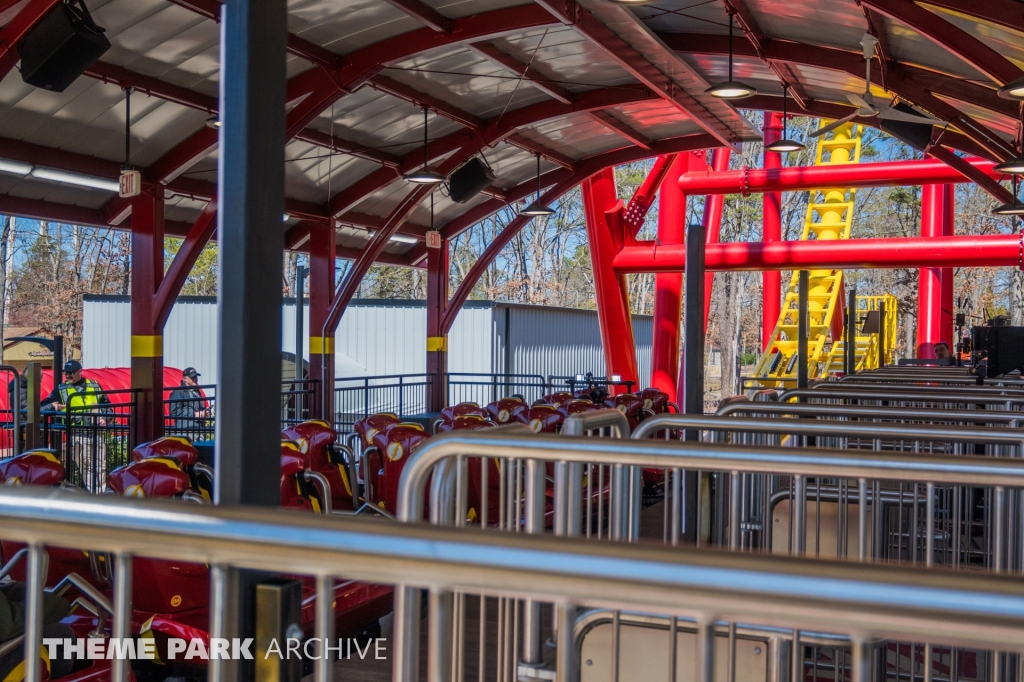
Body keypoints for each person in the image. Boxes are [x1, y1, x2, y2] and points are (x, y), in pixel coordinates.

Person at [40, 360, 110, 491]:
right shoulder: (61, 390)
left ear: (80, 372)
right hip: (76, 434)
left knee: (100, 466)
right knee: (85, 466)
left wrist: (104, 417)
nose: (68, 376)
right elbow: (42, 406)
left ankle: (97, 496)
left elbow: (107, 405)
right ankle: (94, 495)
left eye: (71, 373)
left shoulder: (94, 386)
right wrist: (55, 407)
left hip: (96, 433)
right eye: (66, 373)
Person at [169, 367, 209, 432]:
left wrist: (204, 412)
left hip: (198, 429)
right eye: (192, 377)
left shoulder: (197, 392)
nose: (195, 379)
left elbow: (199, 409)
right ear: (185, 379)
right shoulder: (178, 392)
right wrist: (194, 414)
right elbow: (174, 412)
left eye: (196, 377)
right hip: (185, 431)